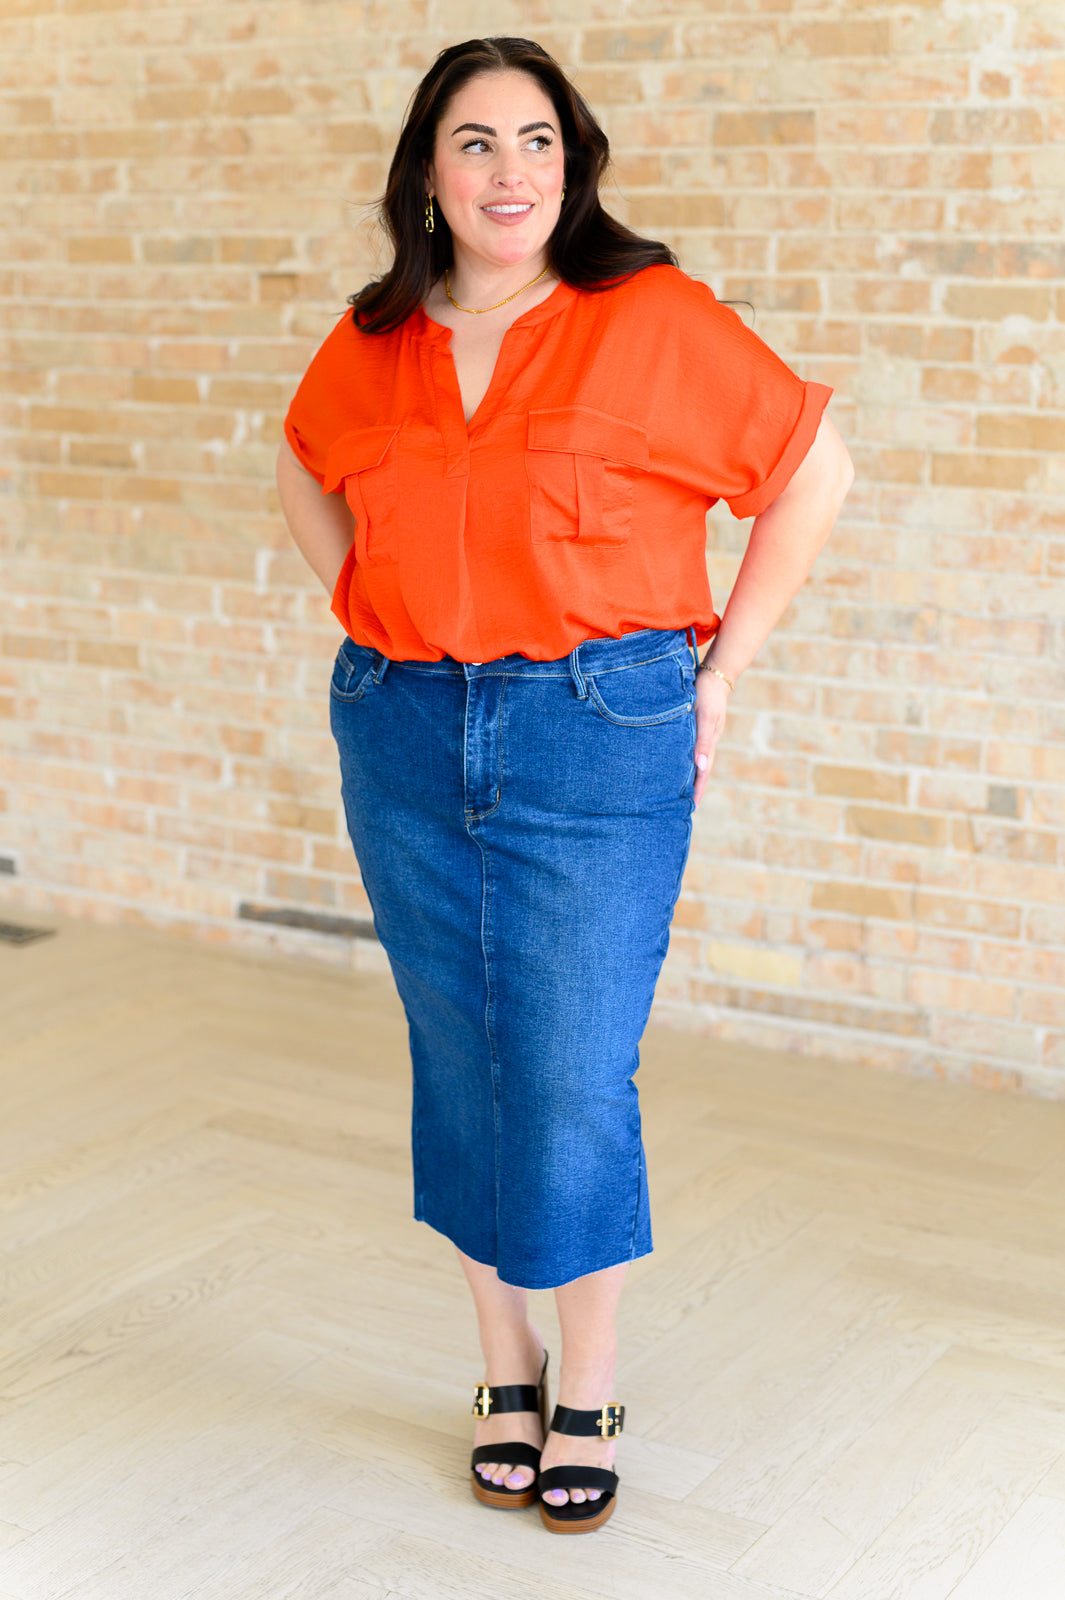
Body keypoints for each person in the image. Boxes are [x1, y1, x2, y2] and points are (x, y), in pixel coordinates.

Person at [277, 36, 853, 1534]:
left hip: (595, 733)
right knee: (459, 1054)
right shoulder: (375, 337)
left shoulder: (649, 318)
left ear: (573, 165)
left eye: (537, 140)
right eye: (474, 142)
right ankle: (505, 1367)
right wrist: (369, 609)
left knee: (570, 1069)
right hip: (404, 730)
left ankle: (588, 1378)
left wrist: (720, 669)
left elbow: (811, 472)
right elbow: (303, 466)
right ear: (427, 173)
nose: (509, 171)